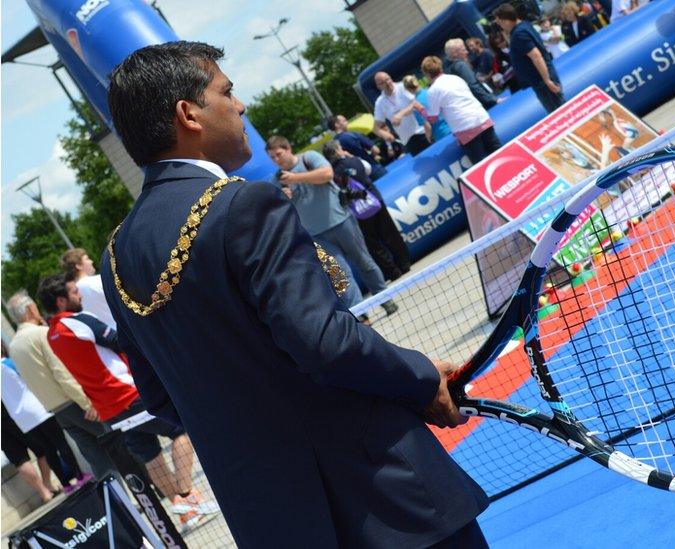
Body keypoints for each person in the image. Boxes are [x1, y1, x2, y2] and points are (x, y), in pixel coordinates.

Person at [103, 41, 487, 548]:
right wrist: (418, 378)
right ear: (188, 113)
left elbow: (161, 397)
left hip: (272, 519)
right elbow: (326, 343)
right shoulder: (244, 205)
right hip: (381, 500)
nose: (240, 106)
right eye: (226, 92)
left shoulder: (116, 256)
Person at [38, 273, 219, 533]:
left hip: (109, 410)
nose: (79, 295)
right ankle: (188, 494)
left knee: (149, 454)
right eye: (74, 292)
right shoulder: (78, 321)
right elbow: (119, 340)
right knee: (182, 431)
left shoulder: (52, 334)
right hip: (128, 395)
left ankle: (185, 512)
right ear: (60, 300)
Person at [265, 135, 398, 315]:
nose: (276, 160)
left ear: (288, 148)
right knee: (341, 275)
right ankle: (361, 315)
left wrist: (295, 178)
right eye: (272, 158)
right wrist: (284, 198)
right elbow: (277, 209)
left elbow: (326, 174)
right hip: (316, 234)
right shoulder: (277, 179)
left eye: (278, 154)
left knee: (364, 262)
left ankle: (384, 298)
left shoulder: (308, 158)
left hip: (341, 221)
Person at [6, 291, 115, 480]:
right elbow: (62, 373)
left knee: (97, 460)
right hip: (75, 403)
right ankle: (150, 491)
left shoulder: (14, 346)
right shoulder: (40, 333)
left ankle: (117, 504)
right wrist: (87, 402)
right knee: (118, 445)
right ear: (31, 308)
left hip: (57, 410)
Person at [1, 345, 88, 501]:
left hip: (21, 418)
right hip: (37, 408)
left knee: (48, 449)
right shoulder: (9, 364)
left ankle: (65, 484)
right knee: (60, 443)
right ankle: (79, 475)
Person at [324, 140, 411, 281]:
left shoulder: (331, 174)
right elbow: (368, 169)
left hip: (356, 210)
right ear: (337, 151)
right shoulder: (355, 161)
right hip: (374, 199)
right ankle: (404, 263)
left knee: (373, 244)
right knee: (390, 233)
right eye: (340, 147)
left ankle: (392, 271)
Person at [418, 55, 501, 164]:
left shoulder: (433, 91)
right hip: (482, 118)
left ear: (427, 74)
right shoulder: (455, 78)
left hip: (465, 128)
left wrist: (420, 109)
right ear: (440, 67)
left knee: (482, 165)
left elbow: (433, 118)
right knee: (499, 153)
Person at [493, 3, 566, 113]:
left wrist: (547, 81)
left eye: (500, 23)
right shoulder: (524, 26)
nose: (500, 26)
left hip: (542, 80)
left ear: (506, 21)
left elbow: (536, 56)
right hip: (543, 78)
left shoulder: (519, 34)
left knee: (558, 111)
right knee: (560, 108)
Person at [372, 71, 431, 157]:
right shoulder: (379, 102)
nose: (387, 83)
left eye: (388, 79)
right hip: (408, 141)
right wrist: (384, 134)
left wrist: (401, 114)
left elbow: (417, 103)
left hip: (423, 131)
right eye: (383, 82)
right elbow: (376, 128)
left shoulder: (403, 86)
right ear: (378, 86)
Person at [61, 248, 115, 329]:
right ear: (78, 266)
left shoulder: (71, 294)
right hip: (123, 328)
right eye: (87, 259)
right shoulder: (100, 280)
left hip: (103, 337)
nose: (91, 261)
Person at [326, 114, 387, 179]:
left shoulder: (333, 145)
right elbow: (376, 150)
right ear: (337, 125)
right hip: (373, 168)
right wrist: (370, 156)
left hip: (357, 176)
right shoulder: (354, 135)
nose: (347, 122)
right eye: (344, 121)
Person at [443, 38, 498, 110]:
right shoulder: (460, 66)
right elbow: (474, 86)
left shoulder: (449, 69)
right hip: (483, 105)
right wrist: (493, 100)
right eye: (463, 50)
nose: (467, 52)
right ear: (455, 53)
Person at [402, 75, 450, 142]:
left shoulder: (416, 106)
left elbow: (427, 126)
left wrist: (429, 138)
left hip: (441, 134)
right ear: (417, 82)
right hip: (452, 125)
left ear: (408, 90)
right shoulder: (431, 91)